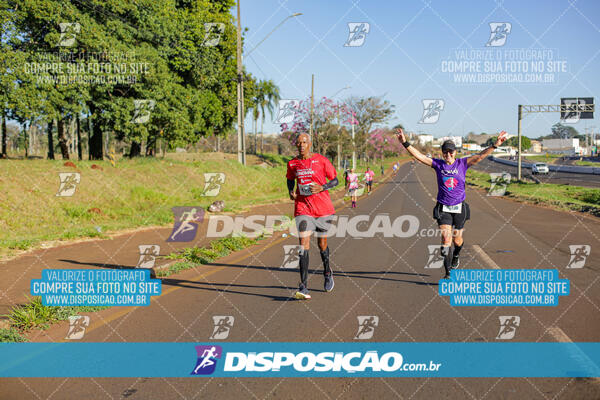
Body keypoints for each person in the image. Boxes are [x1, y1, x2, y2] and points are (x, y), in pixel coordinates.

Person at [395, 128, 508, 279]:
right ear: (442, 153)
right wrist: (405, 142)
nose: (448, 155)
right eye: (445, 152)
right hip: (443, 207)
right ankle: (448, 273)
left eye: (451, 152)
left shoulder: (462, 164)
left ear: (455, 152)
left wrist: (495, 145)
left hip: (459, 207)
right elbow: (420, 156)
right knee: (446, 239)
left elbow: (480, 156)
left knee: (457, 240)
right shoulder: (438, 165)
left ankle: (456, 255)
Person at [287, 133, 339, 299]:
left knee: (321, 243)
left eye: (304, 142)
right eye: (298, 143)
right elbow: (289, 179)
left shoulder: (321, 160)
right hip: (303, 207)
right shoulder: (293, 163)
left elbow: (335, 180)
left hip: (323, 208)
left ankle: (327, 271)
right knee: (303, 243)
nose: (301, 145)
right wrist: (290, 190)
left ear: (309, 144)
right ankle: (303, 287)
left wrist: (322, 187)